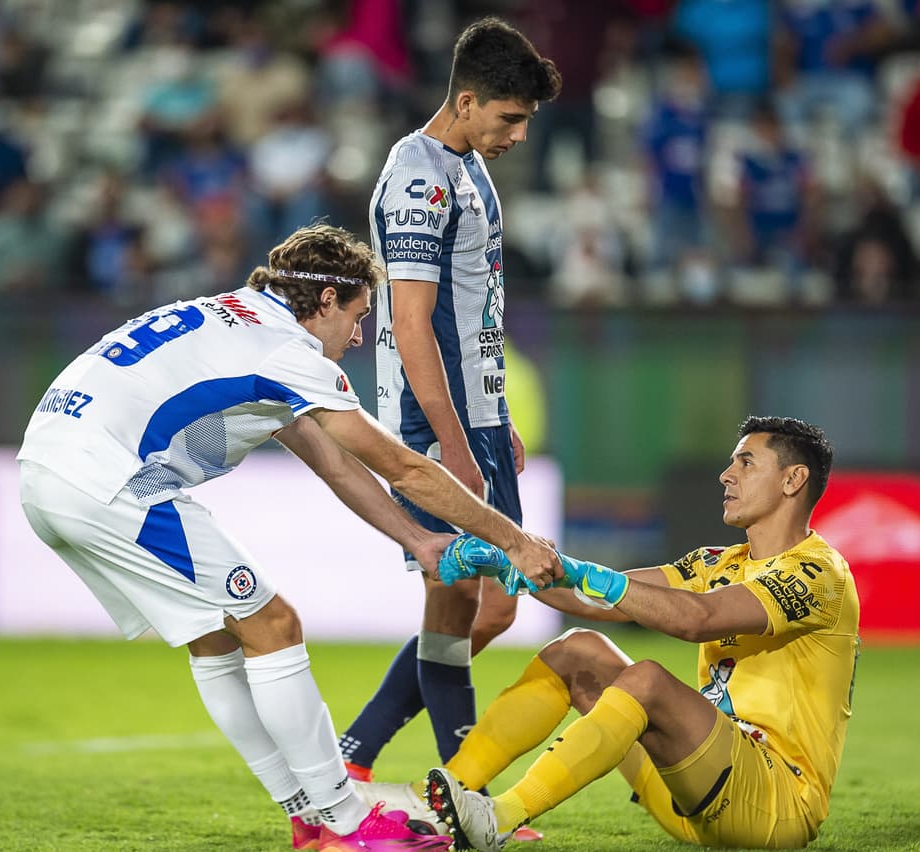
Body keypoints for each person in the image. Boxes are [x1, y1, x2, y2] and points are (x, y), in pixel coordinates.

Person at [16, 224, 562, 852]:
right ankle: (348, 825)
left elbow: (332, 463)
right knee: (274, 625)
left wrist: (417, 540)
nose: (358, 335)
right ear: (326, 300)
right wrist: (514, 540)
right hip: (106, 480)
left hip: (47, 472)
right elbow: (404, 467)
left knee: (217, 639)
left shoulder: (239, 319)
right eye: (356, 316)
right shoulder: (287, 352)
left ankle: (310, 818)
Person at [371, 416, 859, 850]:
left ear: (794, 480)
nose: (726, 475)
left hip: (774, 807)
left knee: (646, 680)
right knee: (577, 650)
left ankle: (499, 818)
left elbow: (698, 619)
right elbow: (592, 600)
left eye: (746, 463)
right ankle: (433, 803)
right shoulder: (719, 561)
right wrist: (513, 561)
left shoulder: (818, 574)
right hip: (691, 790)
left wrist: (590, 576)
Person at [340, 17, 562, 794]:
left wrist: (495, 422)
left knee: (475, 605)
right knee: (478, 599)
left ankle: (367, 753)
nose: (518, 135)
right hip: (437, 422)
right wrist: (454, 443)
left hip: (477, 416)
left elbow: (474, 311)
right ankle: (456, 785)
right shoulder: (419, 174)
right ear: (466, 101)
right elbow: (409, 322)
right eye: (509, 118)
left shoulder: (466, 166)